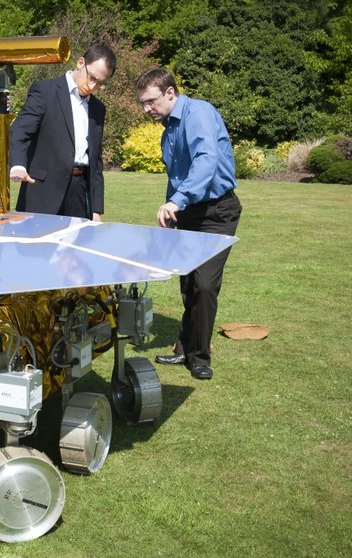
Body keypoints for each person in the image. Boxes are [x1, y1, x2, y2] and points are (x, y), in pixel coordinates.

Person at [135, 67, 242, 381]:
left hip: (217, 211)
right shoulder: (169, 128)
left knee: (205, 285)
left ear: (170, 93)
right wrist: (172, 210)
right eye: (143, 103)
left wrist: (176, 201)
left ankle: (199, 357)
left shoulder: (198, 114)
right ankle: (184, 345)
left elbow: (206, 161)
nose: (146, 109)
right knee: (188, 282)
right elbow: (178, 176)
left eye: (151, 102)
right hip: (189, 212)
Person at [9, 44, 116, 221]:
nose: (93, 86)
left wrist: (96, 209)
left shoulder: (98, 108)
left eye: (100, 84)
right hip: (42, 192)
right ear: (80, 63)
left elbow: (95, 160)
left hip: (78, 195)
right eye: (92, 78)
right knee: (35, 248)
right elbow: (21, 130)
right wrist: (19, 165)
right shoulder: (44, 91)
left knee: (74, 248)